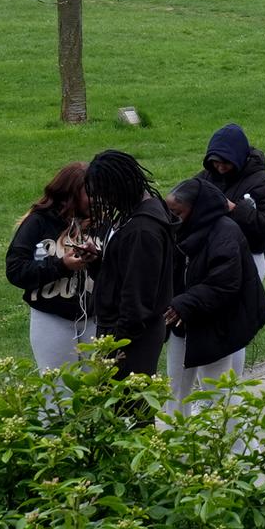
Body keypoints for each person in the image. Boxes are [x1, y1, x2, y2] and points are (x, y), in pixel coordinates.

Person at [163, 177, 265, 416]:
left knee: (219, 393)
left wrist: (184, 302)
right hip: (183, 322)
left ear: (196, 209)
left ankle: (235, 440)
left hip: (215, 325)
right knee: (176, 389)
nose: (172, 218)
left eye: (177, 212)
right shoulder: (179, 231)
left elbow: (224, 283)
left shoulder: (225, 232)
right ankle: (176, 437)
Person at [83, 150, 177, 379]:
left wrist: (116, 342)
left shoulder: (142, 230)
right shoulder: (140, 213)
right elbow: (126, 272)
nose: (105, 201)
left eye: (106, 194)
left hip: (130, 338)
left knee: (125, 401)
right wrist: (99, 262)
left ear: (120, 186)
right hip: (132, 332)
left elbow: (137, 296)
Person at [6, 162, 100, 372]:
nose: (97, 199)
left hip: (96, 317)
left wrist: (97, 260)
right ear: (70, 193)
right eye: (90, 193)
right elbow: (16, 270)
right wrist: (61, 265)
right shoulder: (39, 222)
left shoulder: (103, 222)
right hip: (52, 317)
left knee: (98, 384)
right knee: (58, 385)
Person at [195, 124, 265, 277]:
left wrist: (236, 209)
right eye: (216, 162)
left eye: (226, 163)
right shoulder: (206, 176)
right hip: (211, 253)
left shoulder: (261, 181)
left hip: (248, 255)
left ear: (238, 158)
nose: (220, 168)